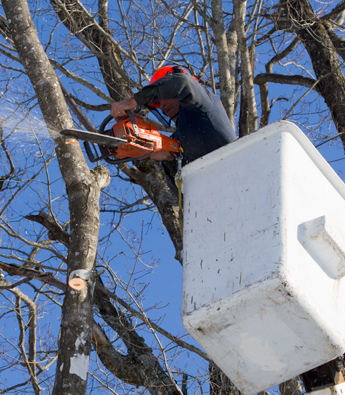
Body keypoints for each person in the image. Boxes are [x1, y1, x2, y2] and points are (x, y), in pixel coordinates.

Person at [111, 66, 236, 194]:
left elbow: (183, 83)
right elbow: (179, 193)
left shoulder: (204, 104)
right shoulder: (177, 139)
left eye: (164, 97)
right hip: (212, 198)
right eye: (158, 103)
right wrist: (167, 157)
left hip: (236, 176)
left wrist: (135, 100)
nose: (162, 104)